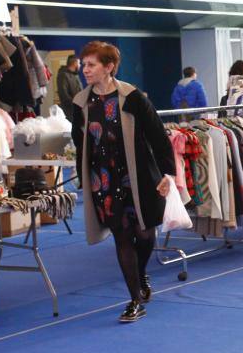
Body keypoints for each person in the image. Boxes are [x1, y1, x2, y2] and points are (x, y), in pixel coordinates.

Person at [71, 41, 175, 323]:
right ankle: (134, 299)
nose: (85, 69)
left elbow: (158, 136)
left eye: (91, 64)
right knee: (121, 235)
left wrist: (169, 174)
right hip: (102, 181)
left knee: (144, 234)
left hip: (138, 177)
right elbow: (78, 140)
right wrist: (85, 179)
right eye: (83, 64)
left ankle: (141, 273)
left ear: (109, 67)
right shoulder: (80, 103)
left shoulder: (132, 97)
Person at [56, 55, 82, 123]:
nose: (80, 65)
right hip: (69, 113)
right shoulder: (63, 75)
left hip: (78, 111)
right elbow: (64, 95)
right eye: (79, 63)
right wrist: (76, 104)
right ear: (75, 63)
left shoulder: (75, 75)